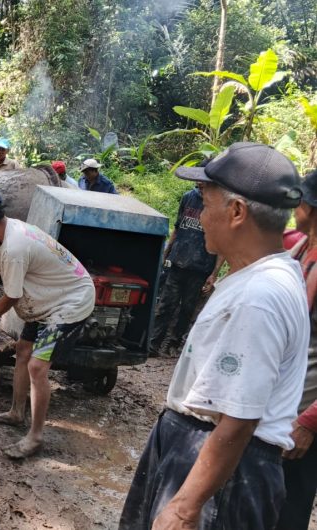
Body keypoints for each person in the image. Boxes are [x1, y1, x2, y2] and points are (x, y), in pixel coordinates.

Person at [119, 142, 308, 530]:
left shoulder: (260, 296)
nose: (201, 217)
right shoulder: (261, 278)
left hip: (222, 468)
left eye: (206, 203)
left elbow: (238, 420)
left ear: (237, 212)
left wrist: (185, 507)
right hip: (207, 453)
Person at [0, 188, 95, 459]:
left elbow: (11, 296)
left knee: (37, 366)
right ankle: (16, 413)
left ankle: (35, 437)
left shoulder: (14, 246)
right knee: (23, 352)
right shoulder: (0, 238)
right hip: (46, 298)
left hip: (69, 302)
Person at [276, 170, 317, 530]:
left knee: (289, 507)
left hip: (304, 417)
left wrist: (309, 422)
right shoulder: (300, 247)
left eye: (300, 200)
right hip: (282, 410)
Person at [150, 183, 222, 356]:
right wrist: (166, 253)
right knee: (166, 304)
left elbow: (221, 244)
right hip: (178, 262)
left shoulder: (219, 204)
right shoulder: (188, 197)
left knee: (187, 309)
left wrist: (214, 273)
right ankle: (153, 344)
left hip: (201, 267)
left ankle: (173, 344)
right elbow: (177, 228)